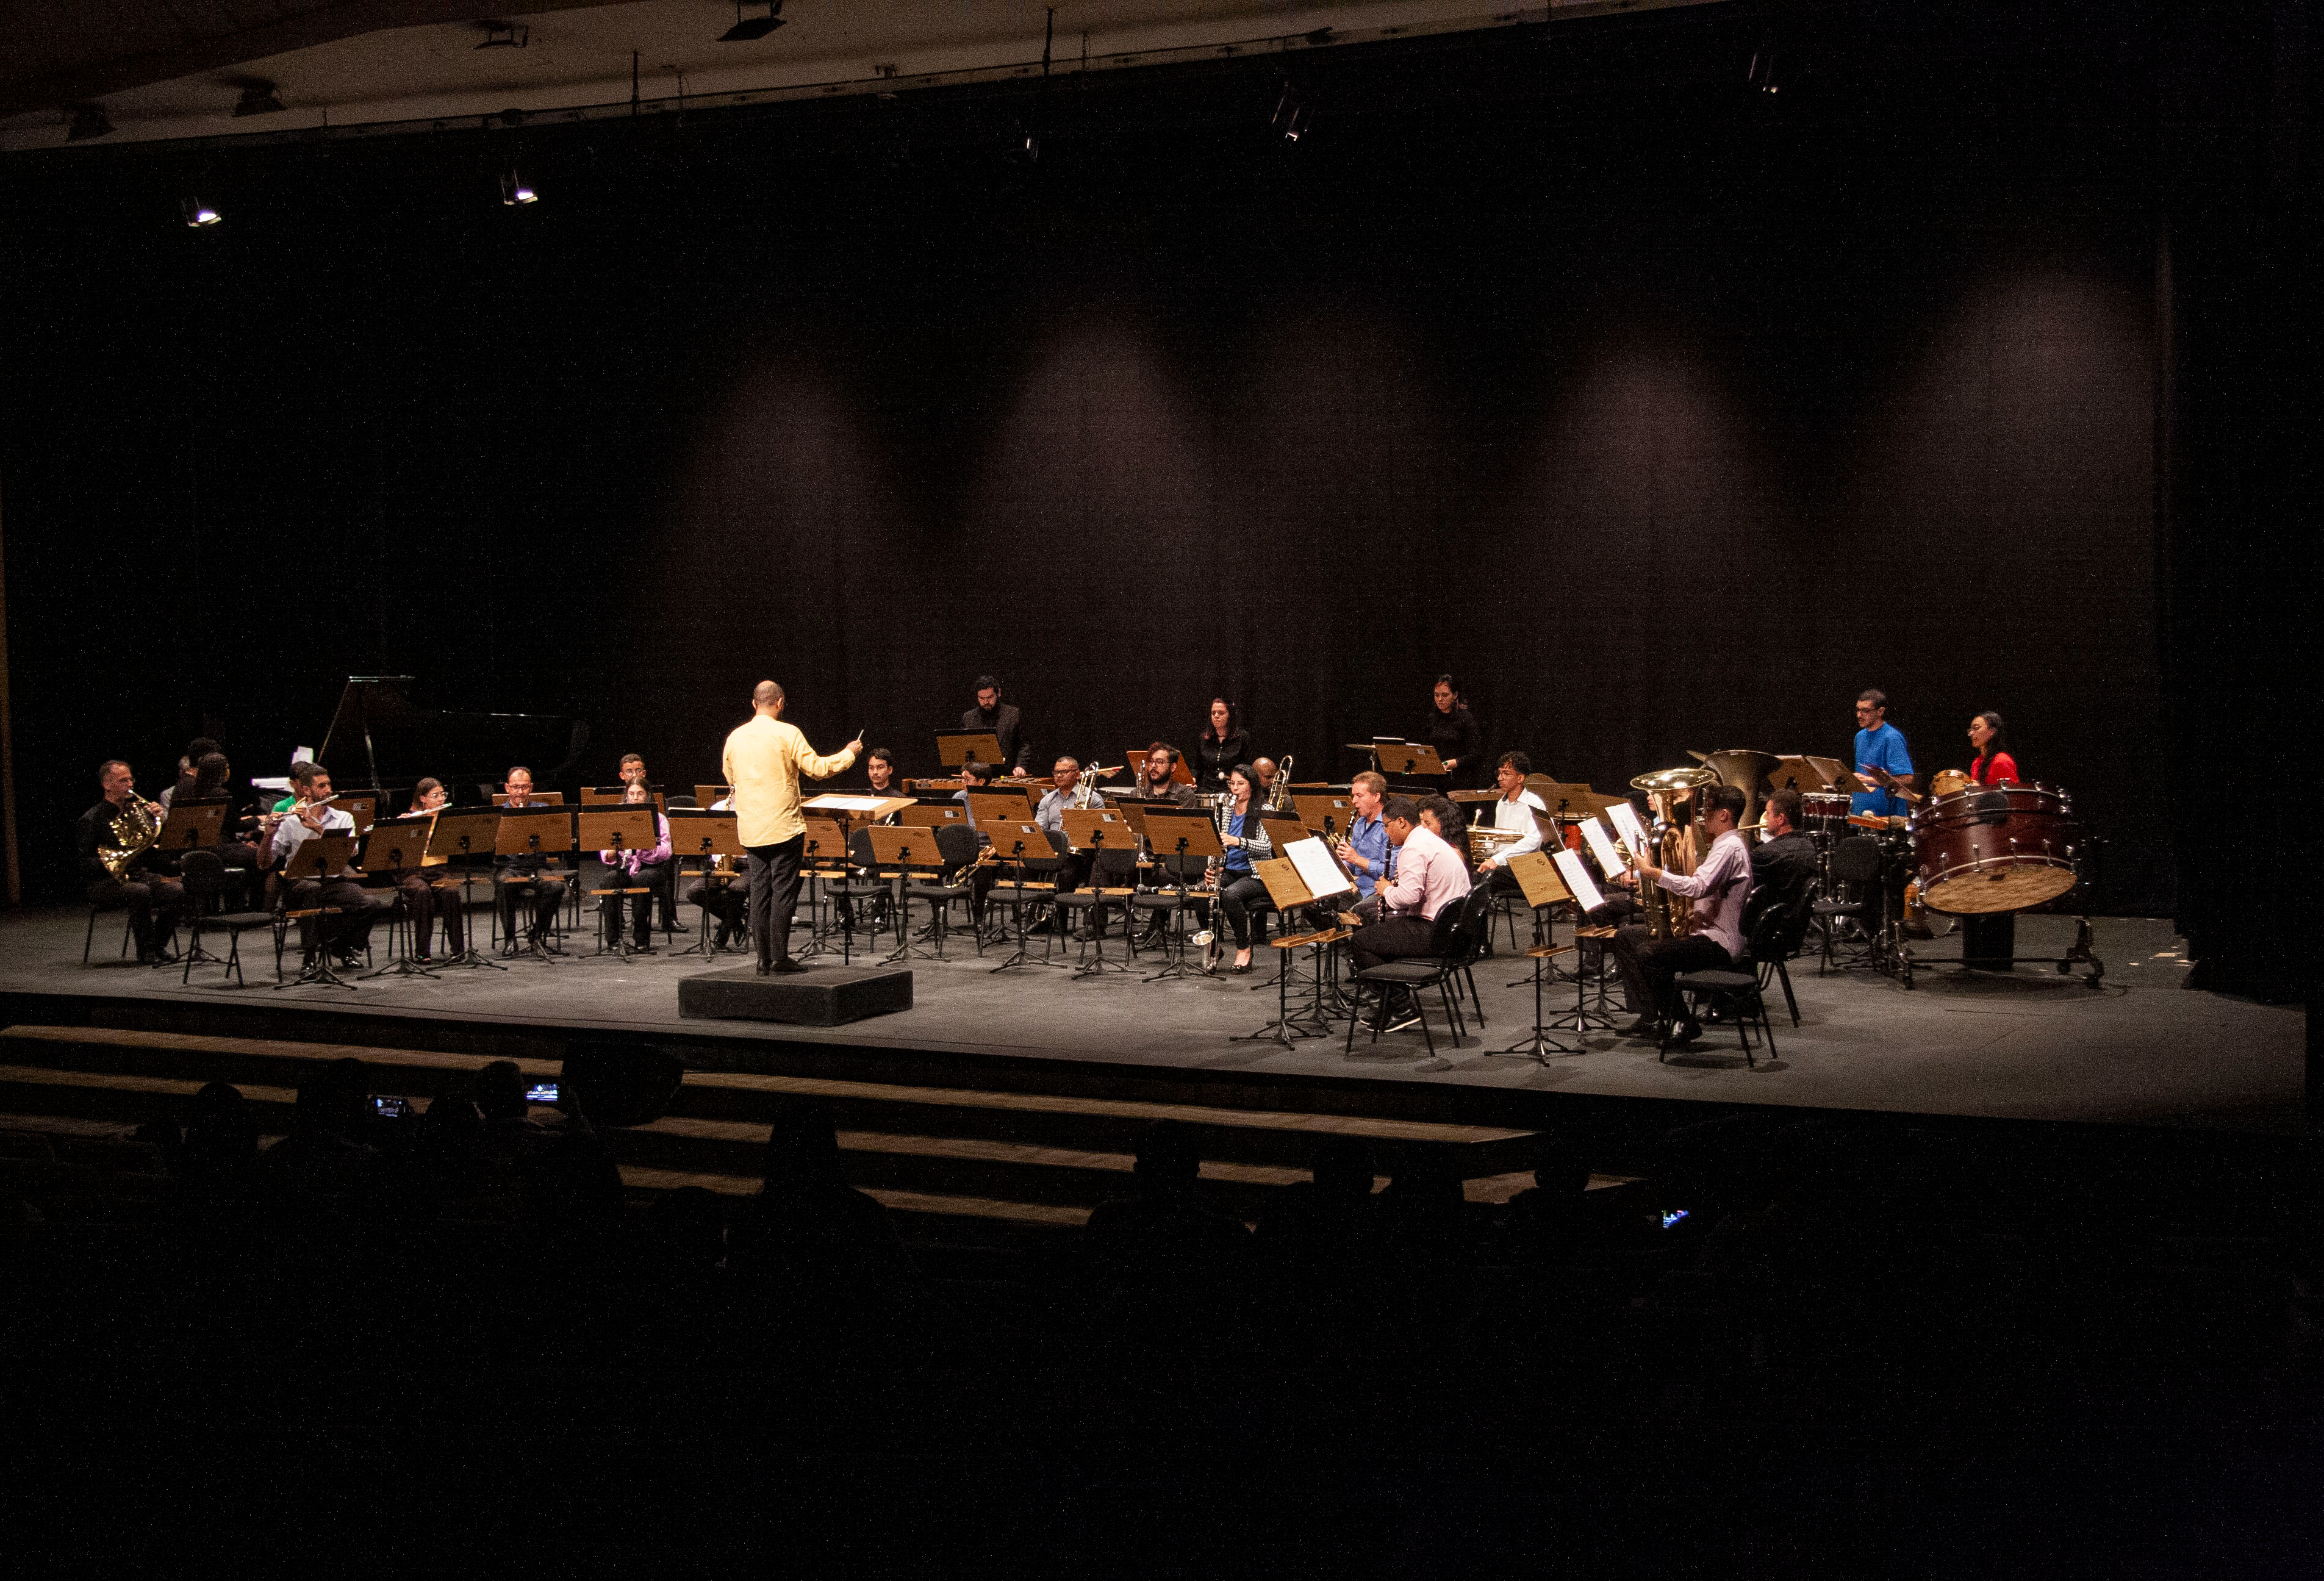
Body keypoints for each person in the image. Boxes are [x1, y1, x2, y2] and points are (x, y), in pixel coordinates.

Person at [722, 680, 860, 974]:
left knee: (760, 894)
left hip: (752, 829)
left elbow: (730, 777)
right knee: (783, 894)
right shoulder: (787, 733)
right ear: (780, 703)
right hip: (784, 827)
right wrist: (850, 753)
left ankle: (763, 960)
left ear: (754, 703)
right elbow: (820, 770)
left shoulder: (735, 737)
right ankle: (780, 959)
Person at [1609, 782, 1754, 1047]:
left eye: (1708, 811)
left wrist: (1653, 873)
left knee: (1649, 953)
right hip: (1705, 930)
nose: (1702, 817)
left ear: (1724, 815)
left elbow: (1697, 887)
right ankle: (1651, 1016)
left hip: (1718, 943)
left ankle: (1682, 1022)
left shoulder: (1729, 847)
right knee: (1628, 936)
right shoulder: (1726, 844)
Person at [267, 761, 388, 967]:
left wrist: (316, 827)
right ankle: (310, 956)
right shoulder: (290, 821)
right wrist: (268, 835)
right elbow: (266, 861)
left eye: (329, 785)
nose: (328, 790)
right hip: (299, 884)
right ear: (306, 790)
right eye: (322, 786)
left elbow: (351, 852)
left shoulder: (343, 818)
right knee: (312, 890)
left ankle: (341, 945)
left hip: (332, 881)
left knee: (371, 904)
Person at [77, 759, 189, 964]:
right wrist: (113, 861)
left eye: (131, 779)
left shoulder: (138, 811)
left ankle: (156, 946)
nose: (130, 784)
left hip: (139, 875)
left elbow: (151, 848)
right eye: (123, 780)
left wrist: (159, 821)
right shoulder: (92, 819)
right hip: (105, 882)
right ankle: (146, 952)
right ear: (107, 785)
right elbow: (84, 864)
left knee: (178, 891)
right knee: (139, 891)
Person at [1347, 792, 1470, 972]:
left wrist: (1387, 889)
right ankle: (1385, 991)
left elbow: (1409, 897)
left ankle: (1395, 998)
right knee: (1375, 928)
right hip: (1453, 928)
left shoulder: (1413, 848)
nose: (1386, 831)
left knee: (1361, 942)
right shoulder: (1429, 839)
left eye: (1387, 825)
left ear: (1401, 822)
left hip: (1434, 932)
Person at [1202, 765, 1275, 972]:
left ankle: (1244, 948)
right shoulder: (1226, 811)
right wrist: (1212, 868)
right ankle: (1214, 946)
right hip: (1229, 871)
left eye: (1240, 784)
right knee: (1203, 892)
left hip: (1256, 874)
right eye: (1232, 783)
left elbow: (1266, 846)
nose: (1235, 789)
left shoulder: (1265, 810)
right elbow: (1215, 843)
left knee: (1231, 895)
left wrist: (1239, 841)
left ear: (1252, 786)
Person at [385, 776, 464, 961]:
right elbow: (397, 851)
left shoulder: (445, 819)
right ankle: (422, 952)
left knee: (452, 891)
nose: (441, 799)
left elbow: (454, 846)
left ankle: (459, 950)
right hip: (412, 873)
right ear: (423, 799)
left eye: (442, 795)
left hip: (438, 871)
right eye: (435, 796)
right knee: (422, 892)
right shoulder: (411, 818)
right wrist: (402, 828)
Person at [493, 766, 568, 952]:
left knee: (556, 886)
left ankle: (537, 933)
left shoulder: (542, 810)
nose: (520, 792)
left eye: (525, 787)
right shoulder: (498, 814)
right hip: (509, 866)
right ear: (507, 788)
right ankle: (510, 939)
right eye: (516, 787)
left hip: (537, 865)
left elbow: (555, 842)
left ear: (531, 787)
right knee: (503, 883)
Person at [595, 781, 672, 951]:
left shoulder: (659, 819)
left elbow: (667, 851)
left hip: (651, 868)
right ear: (626, 795)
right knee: (609, 881)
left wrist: (643, 846)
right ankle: (613, 940)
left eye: (640, 794)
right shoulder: (618, 817)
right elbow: (605, 851)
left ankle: (641, 940)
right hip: (627, 867)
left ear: (648, 796)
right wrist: (611, 852)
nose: (635, 798)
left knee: (641, 881)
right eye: (631, 794)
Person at [1472, 751, 1549, 897]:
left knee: (1484, 878)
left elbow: (1533, 841)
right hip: (1503, 863)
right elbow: (1500, 840)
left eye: (1506, 774)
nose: (1500, 778)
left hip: (1525, 867)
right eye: (1500, 773)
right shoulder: (1501, 803)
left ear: (1520, 778)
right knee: (1470, 871)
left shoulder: (1534, 803)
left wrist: (1496, 860)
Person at [1743, 788, 1817, 932]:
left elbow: (1744, 886)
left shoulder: (1766, 853)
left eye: (1769, 813)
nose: (1765, 818)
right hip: (1794, 926)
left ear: (1781, 819)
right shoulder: (1809, 846)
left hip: (1767, 925)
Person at [1848, 689, 1915, 817]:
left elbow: (1907, 778)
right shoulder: (1859, 737)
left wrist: (1870, 780)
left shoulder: (1892, 738)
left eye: (1866, 711)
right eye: (1858, 710)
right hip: (1859, 811)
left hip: (1885, 815)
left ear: (1881, 712)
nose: (1859, 715)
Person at [1332, 771, 1393, 909]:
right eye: (1354, 796)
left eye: (1359, 796)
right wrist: (1341, 864)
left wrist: (1356, 859)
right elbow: (1351, 864)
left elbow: (1389, 871)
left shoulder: (1388, 826)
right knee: (1314, 904)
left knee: (1358, 911)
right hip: (1355, 886)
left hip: (1375, 890)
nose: (1354, 801)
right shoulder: (1359, 824)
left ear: (1376, 797)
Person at [1419, 675, 1484, 790]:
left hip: (1458, 780)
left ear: (1455, 695)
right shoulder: (1432, 719)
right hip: (1434, 779)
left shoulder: (1466, 719)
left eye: (1445, 695)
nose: (1440, 699)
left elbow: (1476, 755)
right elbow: (1425, 747)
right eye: (1437, 695)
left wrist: (1453, 763)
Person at [961, 675, 1031, 777]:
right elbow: (964, 749)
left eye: (990, 697)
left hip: (1006, 774)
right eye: (981, 698)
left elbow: (1025, 744)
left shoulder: (1013, 714)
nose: (986, 702)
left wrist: (1020, 766)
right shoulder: (968, 718)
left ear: (998, 693)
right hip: (977, 777)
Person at [1194, 697, 1253, 797]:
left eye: (1221, 713)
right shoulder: (1204, 738)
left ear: (1230, 716)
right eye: (1213, 713)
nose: (1216, 716)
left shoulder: (1243, 738)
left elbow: (1248, 769)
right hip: (1205, 790)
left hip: (1230, 791)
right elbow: (1197, 768)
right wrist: (1193, 779)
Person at [1968, 711, 2019, 786]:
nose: (1971, 734)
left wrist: (1979, 789)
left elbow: (2013, 795)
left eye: (1976, 728)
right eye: (1970, 730)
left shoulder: (2002, 761)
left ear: (1992, 731)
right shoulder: (1976, 763)